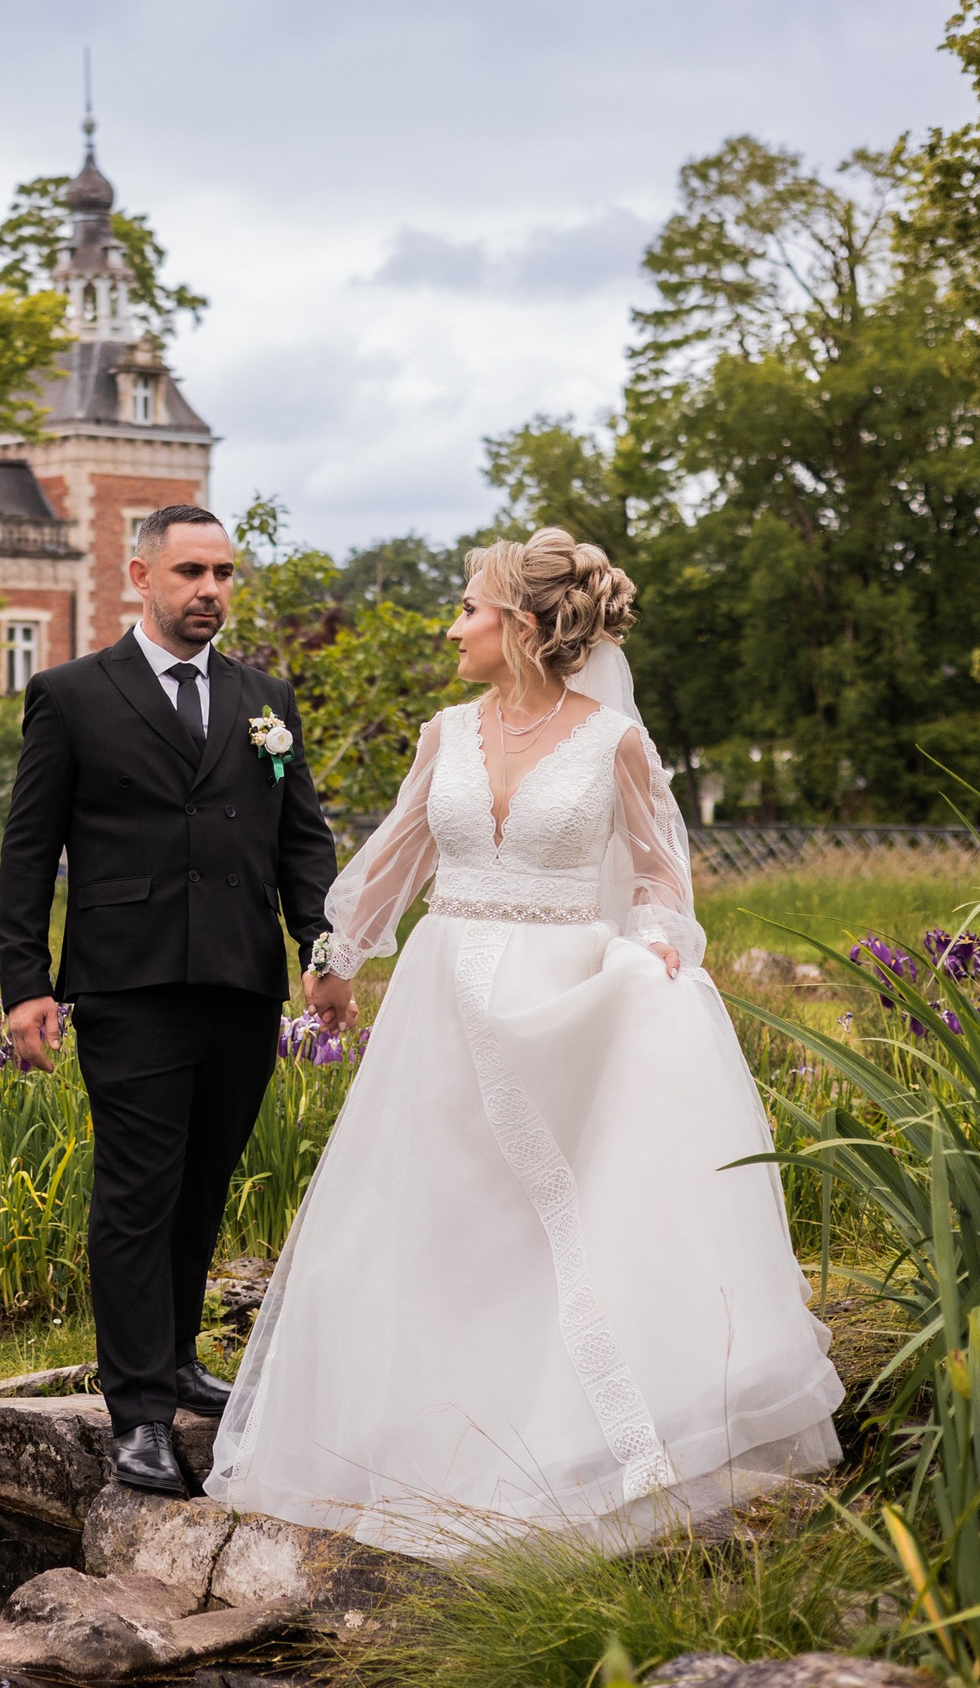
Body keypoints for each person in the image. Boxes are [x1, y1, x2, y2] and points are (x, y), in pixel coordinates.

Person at [206, 526, 842, 1554]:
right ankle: (409, 1452)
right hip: (440, 1002)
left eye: (469, 608)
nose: (452, 625)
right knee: (439, 1216)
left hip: (565, 1009)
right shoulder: (443, 734)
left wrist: (652, 946)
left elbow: (659, 871)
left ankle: (572, 1447)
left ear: (525, 625)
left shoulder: (613, 742)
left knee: (549, 1227)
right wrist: (337, 961)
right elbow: (397, 855)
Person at [0, 502, 346, 1496]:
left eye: (224, 574)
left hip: (240, 984)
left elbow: (301, 842)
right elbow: (30, 849)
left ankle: (180, 1360)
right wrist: (25, 981)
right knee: (138, 1191)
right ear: (140, 578)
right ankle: (140, 1410)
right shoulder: (71, 696)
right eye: (191, 571)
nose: (211, 591)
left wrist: (323, 950)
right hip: (129, 980)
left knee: (202, 1185)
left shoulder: (261, 696)